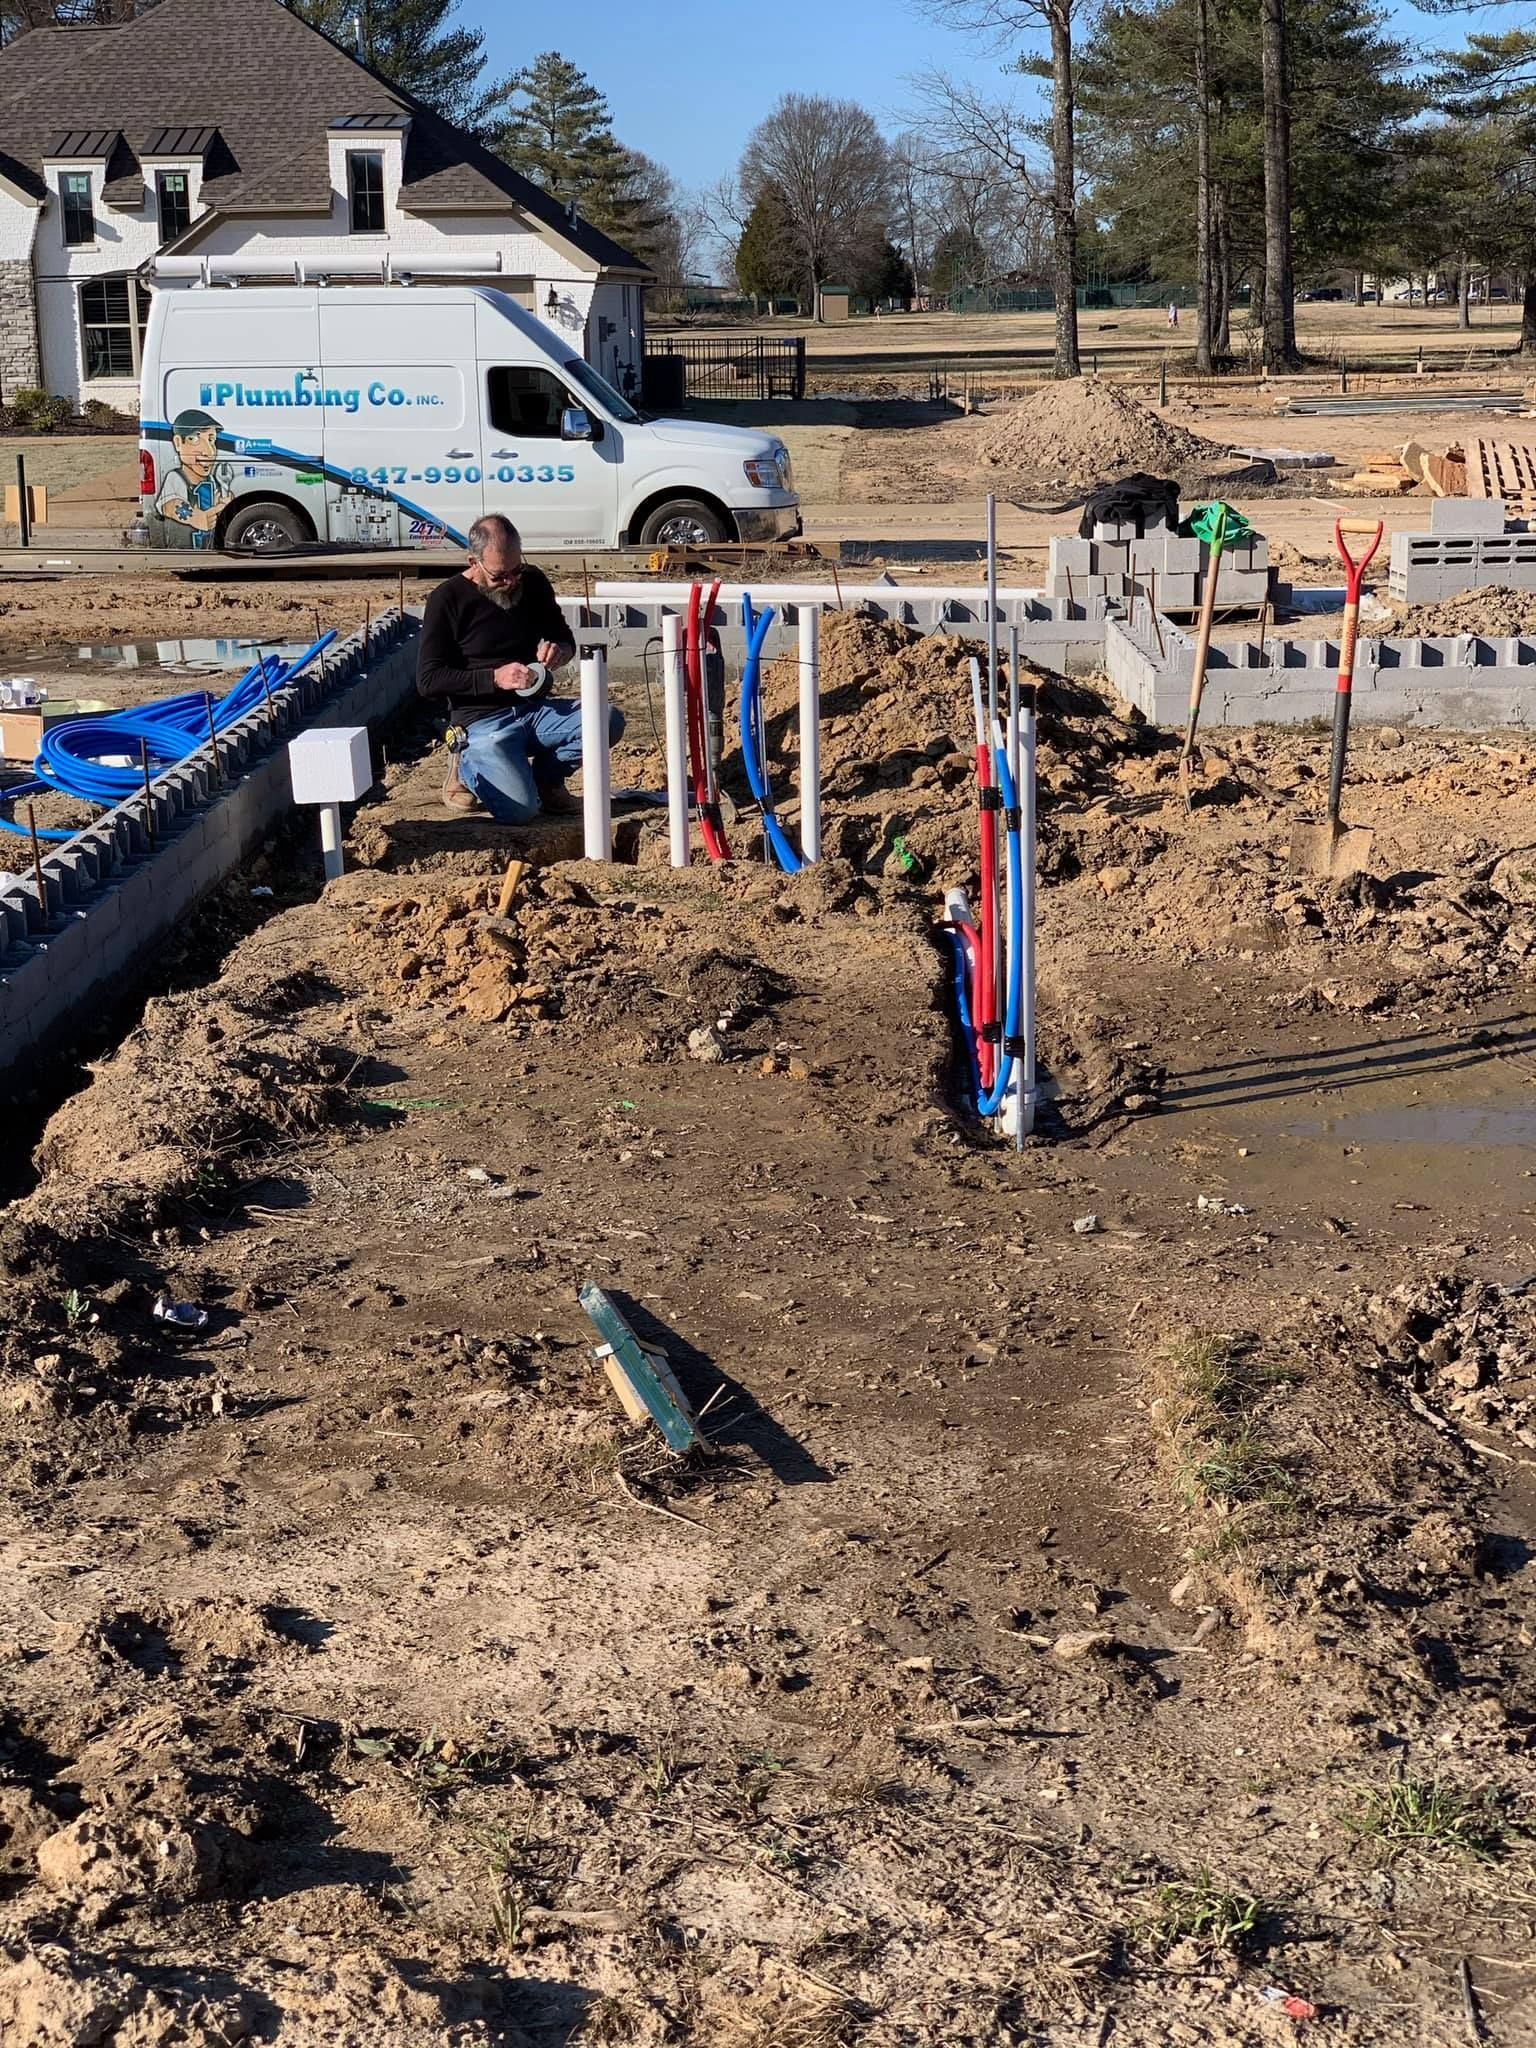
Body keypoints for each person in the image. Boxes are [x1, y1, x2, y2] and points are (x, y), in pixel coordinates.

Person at [417, 514, 621, 822]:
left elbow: (563, 637)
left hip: (533, 710)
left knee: (607, 719)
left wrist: (559, 650)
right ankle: (467, 764)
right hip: (482, 723)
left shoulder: (532, 582)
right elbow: (428, 680)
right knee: (521, 811)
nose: (511, 582)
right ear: (474, 561)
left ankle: (547, 780)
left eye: (516, 570)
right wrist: (494, 679)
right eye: (500, 576)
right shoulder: (446, 599)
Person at [154, 408, 235, 547]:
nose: (209, 452)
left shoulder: (214, 482)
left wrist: (226, 504)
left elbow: (222, 501)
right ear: (178, 443)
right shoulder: (176, 478)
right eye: (195, 439)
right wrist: (196, 518)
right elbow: (170, 504)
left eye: (211, 440)